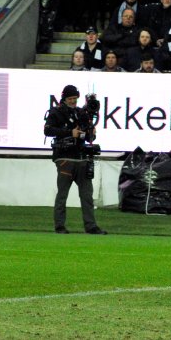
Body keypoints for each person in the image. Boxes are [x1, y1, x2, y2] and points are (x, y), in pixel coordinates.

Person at [43, 85, 107, 235]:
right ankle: (60, 226)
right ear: (64, 99)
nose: (73, 101)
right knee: (62, 194)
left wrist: (91, 132)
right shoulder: (56, 112)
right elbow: (48, 130)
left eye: (75, 99)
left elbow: (88, 137)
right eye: (70, 99)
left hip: (81, 157)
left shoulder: (80, 113)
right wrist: (69, 133)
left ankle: (91, 226)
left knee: (87, 195)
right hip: (65, 157)